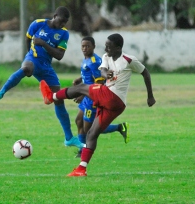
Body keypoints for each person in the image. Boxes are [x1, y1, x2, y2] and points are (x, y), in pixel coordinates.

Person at [40, 33, 156, 177]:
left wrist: (150, 96)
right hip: (115, 105)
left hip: (113, 97)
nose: (106, 48)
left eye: (109, 46)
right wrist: (105, 72)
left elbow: (146, 73)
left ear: (119, 47)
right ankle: (82, 169)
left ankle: (51, 97)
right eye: (106, 45)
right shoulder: (106, 57)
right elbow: (102, 69)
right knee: (92, 133)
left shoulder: (128, 59)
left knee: (82, 88)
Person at [0, 6, 83, 150]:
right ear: (55, 15)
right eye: (61, 21)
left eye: (64, 22)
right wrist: (31, 55)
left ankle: (69, 138)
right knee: (26, 68)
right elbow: (27, 40)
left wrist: (43, 44)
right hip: (32, 58)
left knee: (58, 99)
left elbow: (59, 55)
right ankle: (0, 93)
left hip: (47, 67)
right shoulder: (38, 24)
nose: (62, 24)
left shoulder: (64, 34)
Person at [73, 36, 129, 158]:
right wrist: (80, 79)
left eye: (87, 46)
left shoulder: (94, 62)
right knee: (78, 121)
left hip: (92, 97)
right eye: (83, 46)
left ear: (93, 47)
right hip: (86, 95)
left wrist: (83, 95)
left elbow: (99, 82)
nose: (85, 48)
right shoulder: (86, 59)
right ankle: (81, 149)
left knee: (91, 129)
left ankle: (119, 127)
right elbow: (89, 76)